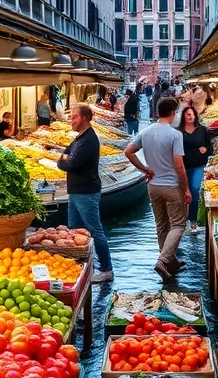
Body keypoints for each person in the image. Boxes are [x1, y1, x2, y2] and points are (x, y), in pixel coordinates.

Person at [125, 97, 189, 281]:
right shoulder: (175, 135)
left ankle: (171, 262)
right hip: (171, 186)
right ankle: (163, 260)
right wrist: (186, 189)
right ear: (173, 112)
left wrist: (144, 169)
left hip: (153, 186)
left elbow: (128, 151)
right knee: (178, 224)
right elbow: (179, 165)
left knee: (161, 225)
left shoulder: (146, 132)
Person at [57, 105, 113, 282]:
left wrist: (64, 161)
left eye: (74, 117)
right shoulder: (78, 139)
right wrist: (64, 159)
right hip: (75, 192)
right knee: (74, 230)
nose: (71, 120)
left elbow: (71, 164)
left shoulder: (88, 140)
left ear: (84, 119)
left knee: (95, 231)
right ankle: (79, 268)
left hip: (86, 192)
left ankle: (106, 269)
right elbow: (64, 156)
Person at [178, 105, 217, 233]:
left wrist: (205, 149)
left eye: (192, 114)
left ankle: (193, 222)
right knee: (182, 193)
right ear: (183, 116)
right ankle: (180, 221)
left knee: (194, 191)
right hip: (181, 167)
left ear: (195, 116)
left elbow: (209, 147)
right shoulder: (178, 132)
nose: (190, 116)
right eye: (187, 114)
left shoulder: (202, 130)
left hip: (197, 166)